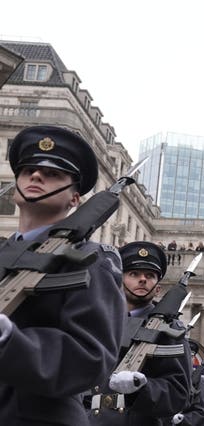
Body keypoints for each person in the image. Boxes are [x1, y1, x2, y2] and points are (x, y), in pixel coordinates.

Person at [0, 125, 126, 424]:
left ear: (74, 199)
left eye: (54, 174)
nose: (37, 176)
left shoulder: (90, 263)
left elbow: (90, 358)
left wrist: (10, 341)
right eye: (28, 169)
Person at [87, 241, 191, 425]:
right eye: (134, 274)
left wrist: (142, 388)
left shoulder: (169, 329)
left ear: (158, 288)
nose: (142, 279)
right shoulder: (99, 321)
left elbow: (178, 392)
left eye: (150, 275)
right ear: (119, 281)